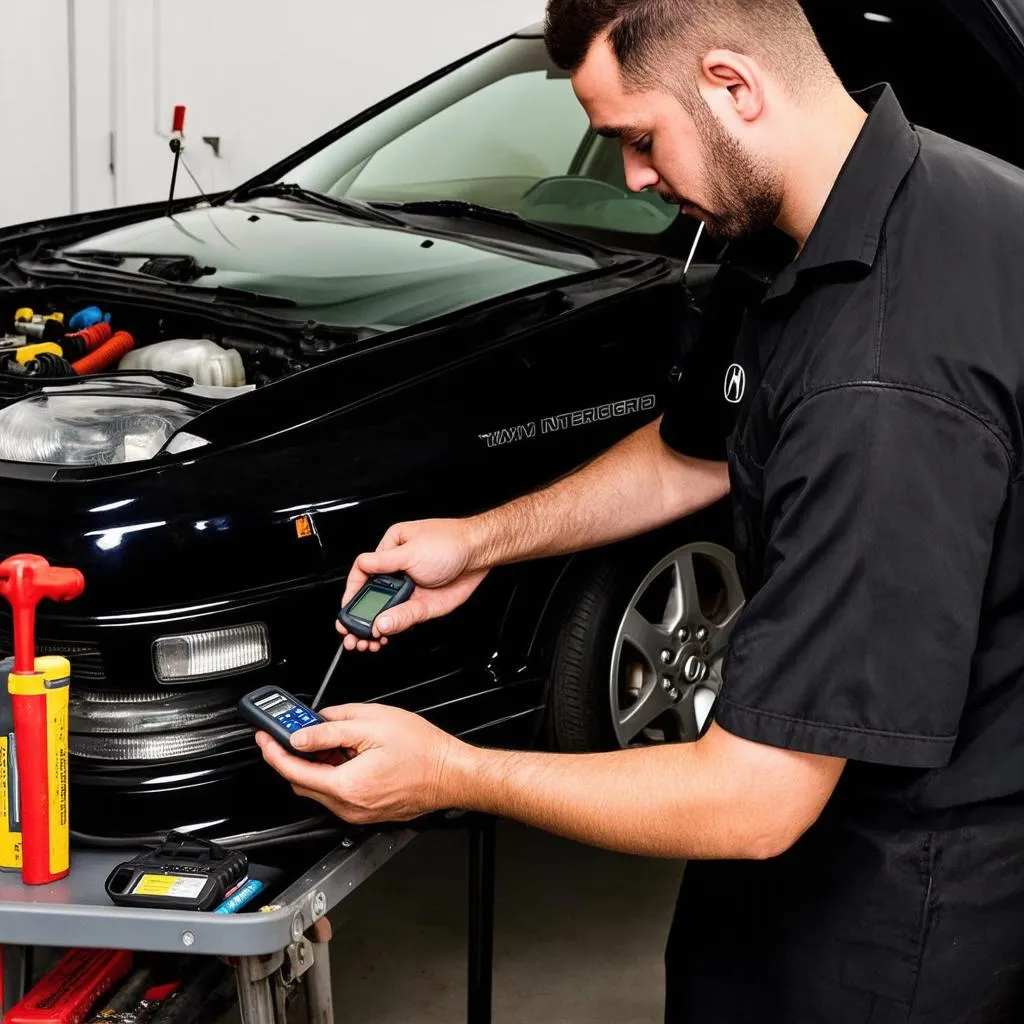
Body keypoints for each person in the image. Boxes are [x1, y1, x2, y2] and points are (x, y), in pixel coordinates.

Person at [255, 1, 1024, 1019]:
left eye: (635, 139)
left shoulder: (877, 390)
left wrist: (455, 771)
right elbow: (692, 453)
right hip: (802, 809)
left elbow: (754, 801)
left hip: (897, 888)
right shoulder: (858, 207)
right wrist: (481, 540)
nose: (632, 179)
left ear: (732, 85)